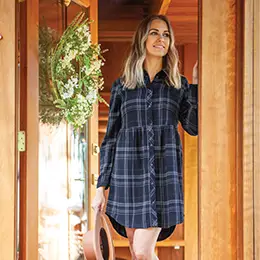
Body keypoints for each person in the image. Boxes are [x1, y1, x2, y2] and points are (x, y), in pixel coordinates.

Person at [92, 14, 198, 260]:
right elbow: (111, 138)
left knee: (141, 252)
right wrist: (101, 188)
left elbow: (193, 126)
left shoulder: (178, 85)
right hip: (126, 176)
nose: (161, 39)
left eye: (166, 34)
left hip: (162, 178)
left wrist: (196, 85)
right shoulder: (123, 86)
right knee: (136, 250)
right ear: (142, 38)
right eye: (154, 32)